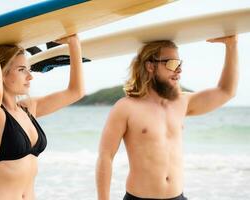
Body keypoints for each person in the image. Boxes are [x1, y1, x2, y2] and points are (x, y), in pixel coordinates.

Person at [96, 36, 238, 200]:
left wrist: (231, 45)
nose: (178, 70)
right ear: (150, 66)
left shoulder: (182, 102)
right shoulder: (126, 107)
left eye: (180, 64)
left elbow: (226, 91)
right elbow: (105, 157)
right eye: (172, 64)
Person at [0, 17, 84, 199]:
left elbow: (76, 92)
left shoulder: (28, 108)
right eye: (21, 70)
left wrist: (74, 43)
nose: (30, 76)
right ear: (2, 74)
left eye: (29, 69)